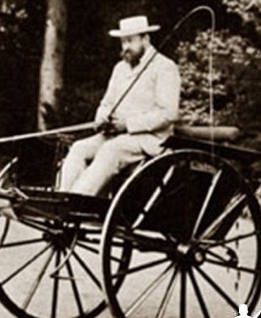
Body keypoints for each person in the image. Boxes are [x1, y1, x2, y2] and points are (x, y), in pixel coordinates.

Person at [60, 15, 181, 195]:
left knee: (111, 150)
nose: (125, 48)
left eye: (130, 41)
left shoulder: (164, 67)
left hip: (149, 139)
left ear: (145, 39)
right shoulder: (120, 69)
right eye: (123, 42)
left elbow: (169, 113)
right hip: (115, 135)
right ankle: (61, 199)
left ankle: (76, 202)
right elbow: (107, 103)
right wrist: (102, 118)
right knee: (79, 148)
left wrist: (128, 125)